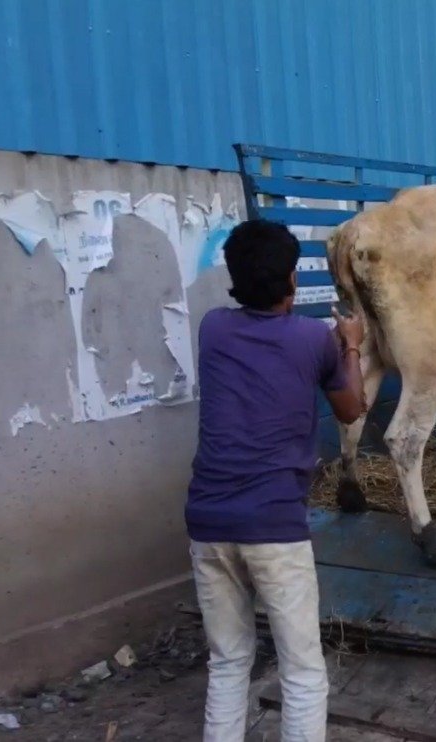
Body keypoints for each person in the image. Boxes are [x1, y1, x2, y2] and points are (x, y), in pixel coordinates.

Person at [184, 219, 369, 742]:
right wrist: (351, 344)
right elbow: (352, 409)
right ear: (291, 280)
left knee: (228, 661)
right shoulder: (316, 340)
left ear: (236, 277)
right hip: (274, 526)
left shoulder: (213, 327)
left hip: (208, 520)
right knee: (303, 669)